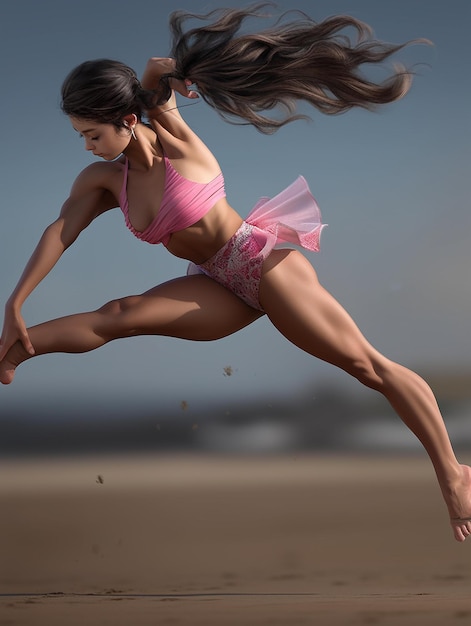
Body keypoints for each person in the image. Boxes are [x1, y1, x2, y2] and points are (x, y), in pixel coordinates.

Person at [1, 4, 470, 541]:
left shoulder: (174, 135)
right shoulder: (104, 180)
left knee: (367, 367)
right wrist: (16, 302)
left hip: (263, 265)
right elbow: (61, 231)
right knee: (120, 314)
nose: (86, 146)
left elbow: (154, 73)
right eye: (81, 136)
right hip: (217, 280)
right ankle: (14, 348)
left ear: (128, 120)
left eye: (92, 134)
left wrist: (168, 74)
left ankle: (453, 474)